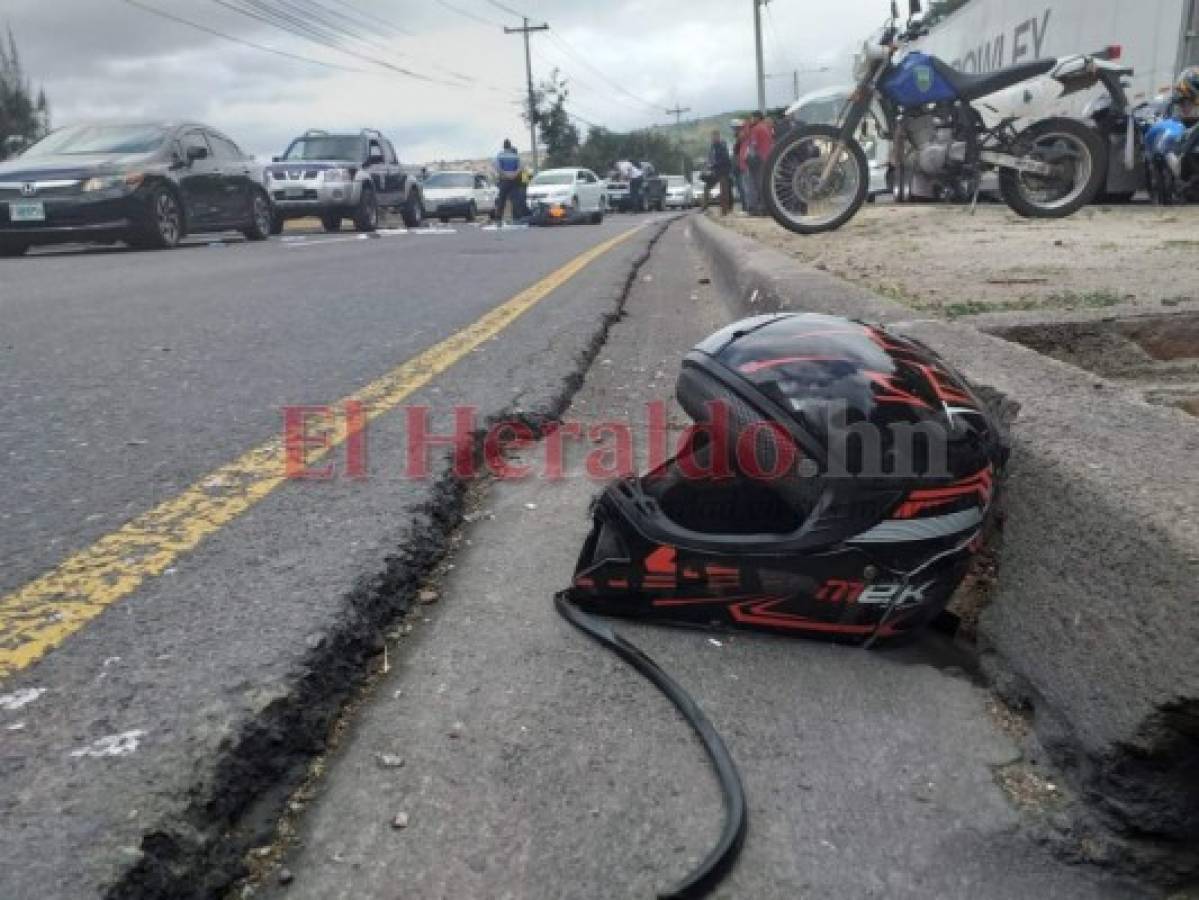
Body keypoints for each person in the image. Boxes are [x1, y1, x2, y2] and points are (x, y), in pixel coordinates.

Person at [705, 129, 732, 215]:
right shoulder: (712, 146)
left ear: (718, 137)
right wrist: (709, 165)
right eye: (712, 136)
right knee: (707, 187)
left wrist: (714, 164)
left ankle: (725, 210)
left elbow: (725, 159)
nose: (713, 138)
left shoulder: (722, 146)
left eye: (715, 136)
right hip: (715, 171)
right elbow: (710, 157)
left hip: (723, 171)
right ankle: (704, 207)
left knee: (724, 191)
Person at [494, 139, 521, 222]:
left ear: (503, 146)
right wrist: (514, 174)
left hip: (504, 179)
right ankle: (516, 218)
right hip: (514, 179)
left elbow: (497, 167)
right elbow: (520, 167)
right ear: (510, 146)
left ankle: (498, 218)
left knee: (502, 199)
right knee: (515, 199)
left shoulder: (500, 155)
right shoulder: (515, 156)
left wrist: (505, 174)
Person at [729, 119, 746, 211]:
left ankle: (745, 206)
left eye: (734, 128)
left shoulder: (741, 137)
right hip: (737, 165)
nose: (733, 130)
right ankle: (745, 206)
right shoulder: (739, 138)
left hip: (739, 165)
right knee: (740, 187)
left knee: (742, 186)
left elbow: (738, 152)